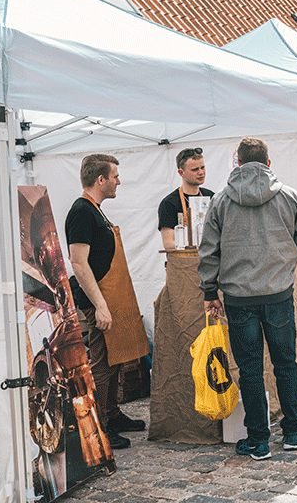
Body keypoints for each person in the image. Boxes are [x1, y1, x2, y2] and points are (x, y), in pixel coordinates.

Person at [197, 137, 297, 460]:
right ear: (268, 163)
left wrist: (210, 291)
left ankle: (258, 440)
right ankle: (293, 432)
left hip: (238, 298)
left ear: (237, 163)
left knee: (250, 369)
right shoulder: (290, 196)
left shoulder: (222, 200)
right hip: (278, 293)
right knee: (286, 363)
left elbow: (208, 251)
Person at [65, 154, 146, 450]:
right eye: (114, 176)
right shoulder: (82, 212)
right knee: (101, 363)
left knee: (114, 361)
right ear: (100, 180)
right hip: (95, 298)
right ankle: (100, 426)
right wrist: (99, 305)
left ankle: (112, 414)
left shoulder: (96, 211)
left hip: (108, 296)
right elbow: (78, 263)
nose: (118, 181)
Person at [158, 147, 214, 249]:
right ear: (181, 173)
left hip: (208, 262)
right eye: (195, 169)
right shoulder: (169, 203)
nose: (201, 172)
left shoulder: (211, 197)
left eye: (202, 167)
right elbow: (168, 244)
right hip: (183, 263)